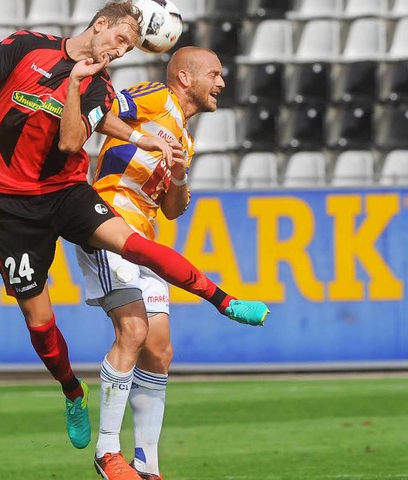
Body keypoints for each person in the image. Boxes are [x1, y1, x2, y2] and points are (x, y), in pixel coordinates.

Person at [0, 0, 268, 456]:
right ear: (99, 25)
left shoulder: (101, 88)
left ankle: (223, 301)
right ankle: (72, 393)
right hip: (11, 204)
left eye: (130, 45)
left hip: (67, 192)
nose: (122, 50)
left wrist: (78, 90)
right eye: (120, 40)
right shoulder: (24, 46)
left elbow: (70, 142)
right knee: (39, 321)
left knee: (138, 259)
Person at [76, 47, 261, 480]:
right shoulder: (157, 96)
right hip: (108, 224)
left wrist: (178, 174)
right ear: (184, 77)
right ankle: (107, 453)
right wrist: (142, 138)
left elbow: (174, 209)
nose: (221, 83)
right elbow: (99, 114)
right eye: (214, 74)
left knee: (159, 351)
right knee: (134, 331)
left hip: (145, 240)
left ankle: (148, 467)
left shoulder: (186, 138)